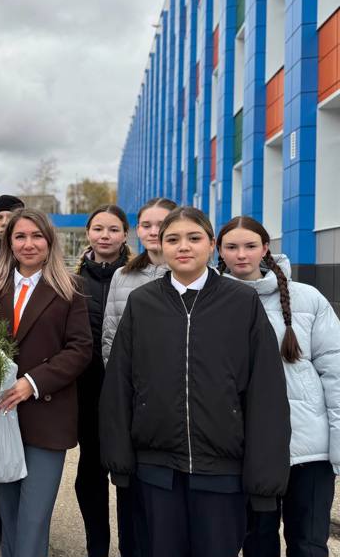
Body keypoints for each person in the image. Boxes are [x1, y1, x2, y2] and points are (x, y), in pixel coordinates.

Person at [100, 207, 291, 557]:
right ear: (162, 244)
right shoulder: (142, 303)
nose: (183, 246)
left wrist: (264, 479)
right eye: (172, 239)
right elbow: (119, 385)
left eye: (194, 238)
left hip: (221, 473)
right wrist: (119, 461)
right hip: (156, 471)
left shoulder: (242, 302)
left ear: (212, 244)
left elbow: (266, 393)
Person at [216, 216, 340, 557]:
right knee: (257, 542)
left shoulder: (307, 298)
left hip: (310, 452)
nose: (242, 254)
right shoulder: (211, 304)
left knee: (309, 544)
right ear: (220, 252)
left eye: (251, 245)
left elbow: (335, 371)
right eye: (231, 247)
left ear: (266, 249)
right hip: (250, 450)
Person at [0, 207, 92, 557]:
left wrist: (32, 382)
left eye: (36, 236)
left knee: (34, 518)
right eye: (20, 236)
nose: (28, 244)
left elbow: (80, 350)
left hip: (46, 415)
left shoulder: (70, 288)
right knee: (11, 513)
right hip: (2, 415)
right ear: (9, 242)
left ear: (49, 241)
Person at [100, 196, 175, 557]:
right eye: (146, 224)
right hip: (135, 404)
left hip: (178, 408)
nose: (154, 231)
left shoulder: (197, 276)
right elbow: (110, 339)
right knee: (132, 503)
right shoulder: (123, 276)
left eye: (162, 224)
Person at [73, 205, 131, 557]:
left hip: (129, 389)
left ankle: (132, 545)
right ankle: (97, 545)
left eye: (113, 229)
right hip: (88, 388)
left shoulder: (142, 275)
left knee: (127, 475)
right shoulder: (73, 280)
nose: (105, 235)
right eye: (98, 229)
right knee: (90, 472)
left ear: (126, 234)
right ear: (88, 234)